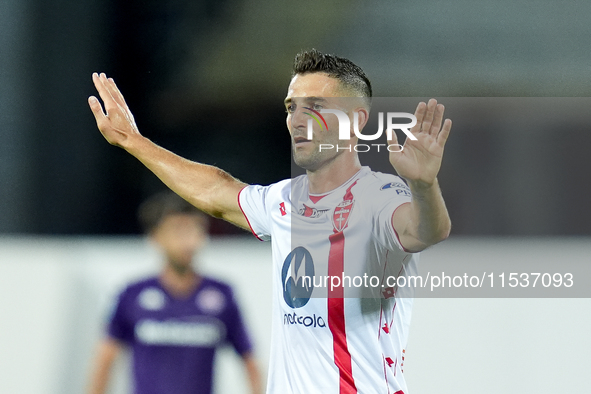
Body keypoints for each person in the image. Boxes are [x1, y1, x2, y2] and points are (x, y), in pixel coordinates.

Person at [88, 49, 452, 394]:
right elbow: (215, 191)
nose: (296, 119)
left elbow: (425, 230)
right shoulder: (284, 200)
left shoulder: (381, 196)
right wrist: (132, 141)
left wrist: (423, 185)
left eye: (315, 106)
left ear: (355, 119)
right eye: (291, 107)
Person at [87, 192, 263, 394]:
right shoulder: (133, 294)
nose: (187, 240)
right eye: (177, 230)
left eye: (194, 229)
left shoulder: (221, 295)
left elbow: (249, 359)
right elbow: (105, 359)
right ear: (156, 237)